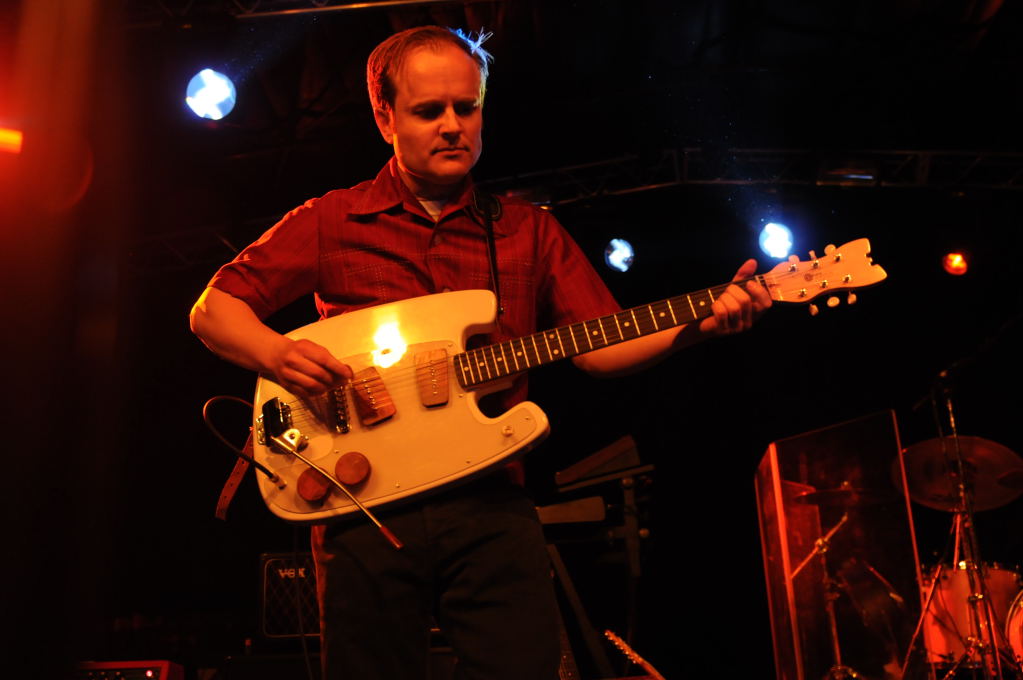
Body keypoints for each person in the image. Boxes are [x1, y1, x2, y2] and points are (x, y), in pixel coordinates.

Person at [190, 25, 771, 680]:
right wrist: (275, 355)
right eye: (428, 110)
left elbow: (599, 346)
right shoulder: (332, 219)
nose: (452, 126)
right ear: (385, 117)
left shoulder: (530, 230)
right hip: (364, 506)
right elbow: (213, 310)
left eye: (466, 108)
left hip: (490, 500)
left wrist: (697, 323)